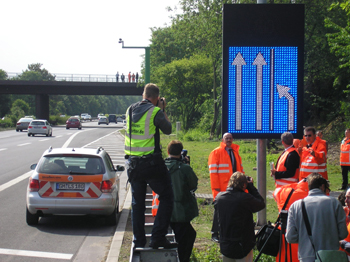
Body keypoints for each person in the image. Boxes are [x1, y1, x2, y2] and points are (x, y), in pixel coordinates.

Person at [124, 83, 177, 249]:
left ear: (143, 95)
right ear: (156, 98)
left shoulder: (130, 110)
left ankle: (138, 240)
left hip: (133, 164)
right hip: (151, 164)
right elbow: (168, 129)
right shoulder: (155, 111)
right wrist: (162, 109)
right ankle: (158, 238)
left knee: (137, 204)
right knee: (167, 197)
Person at [286, 173, 348, 262]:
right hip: (330, 256)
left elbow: (290, 237)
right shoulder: (334, 203)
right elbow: (343, 233)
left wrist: (305, 238)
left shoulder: (295, 206)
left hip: (307, 256)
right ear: (322, 186)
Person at [153, 140, 198, 262]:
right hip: (180, 211)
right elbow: (193, 185)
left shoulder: (161, 167)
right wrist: (187, 164)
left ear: (168, 152)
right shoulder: (184, 168)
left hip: (162, 209)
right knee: (187, 236)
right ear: (181, 152)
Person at [214, 172, 265, 262]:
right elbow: (261, 204)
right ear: (244, 184)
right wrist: (251, 187)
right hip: (242, 246)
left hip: (226, 245)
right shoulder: (244, 198)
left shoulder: (219, 198)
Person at [208, 132, 244, 242]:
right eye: (226, 138)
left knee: (232, 210)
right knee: (218, 210)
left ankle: (226, 233)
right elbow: (213, 172)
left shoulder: (235, 152)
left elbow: (240, 170)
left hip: (234, 187)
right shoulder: (216, 152)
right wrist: (216, 188)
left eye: (230, 138)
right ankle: (215, 233)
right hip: (221, 188)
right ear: (223, 140)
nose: (229, 140)